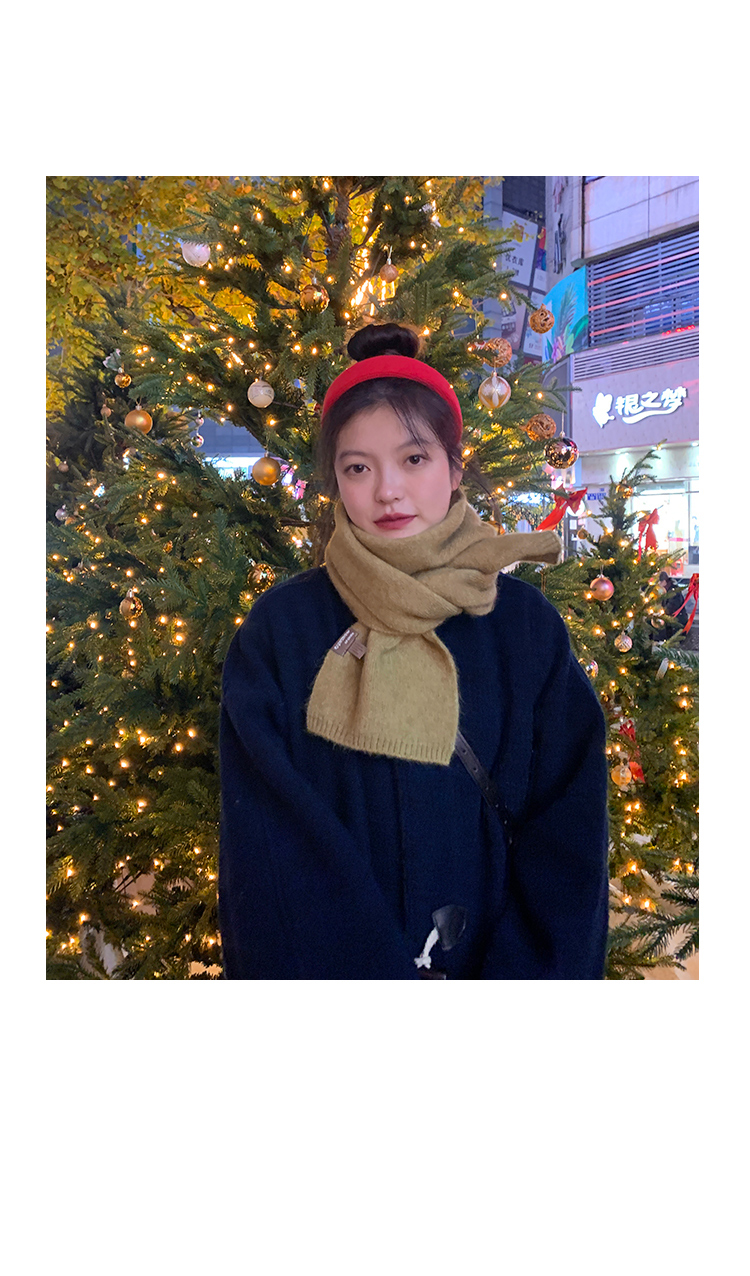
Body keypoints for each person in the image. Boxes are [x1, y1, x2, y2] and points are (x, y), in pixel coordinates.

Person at [219, 323, 609, 979]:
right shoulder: (281, 632)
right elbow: (269, 854)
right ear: (335, 480)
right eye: (358, 467)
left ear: (454, 467)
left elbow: (568, 843)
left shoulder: (524, 629)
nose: (387, 490)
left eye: (414, 459)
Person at [657, 571, 686, 640]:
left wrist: (660, 613)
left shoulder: (674, 592)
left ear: (664, 582)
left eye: (659, 583)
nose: (658, 586)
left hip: (677, 622)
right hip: (670, 622)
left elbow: (671, 607)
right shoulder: (665, 591)